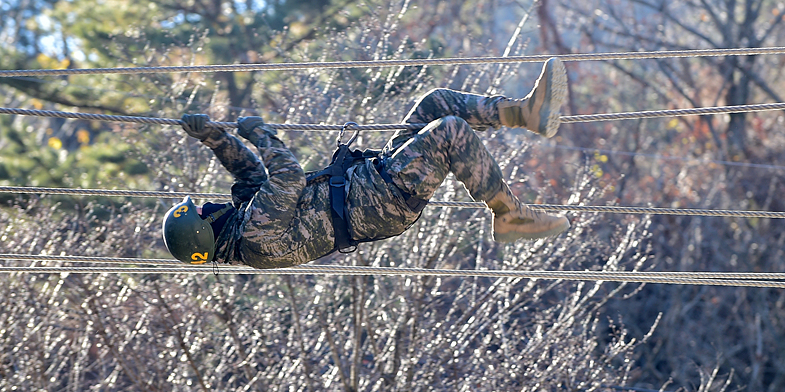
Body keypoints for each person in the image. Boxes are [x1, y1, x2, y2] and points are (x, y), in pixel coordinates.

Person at [163, 59, 571, 269]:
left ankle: (523, 112)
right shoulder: (254, 235)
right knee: (448, 131)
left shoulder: (243, 226)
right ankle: (509, 214)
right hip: (380, 200)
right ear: (203, 230)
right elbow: (284, 176)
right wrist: (260, 133)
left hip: (370, 182)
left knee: (434, 104)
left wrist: (213, 137)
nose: (205, 205)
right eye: (198, 211)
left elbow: (250, 174)